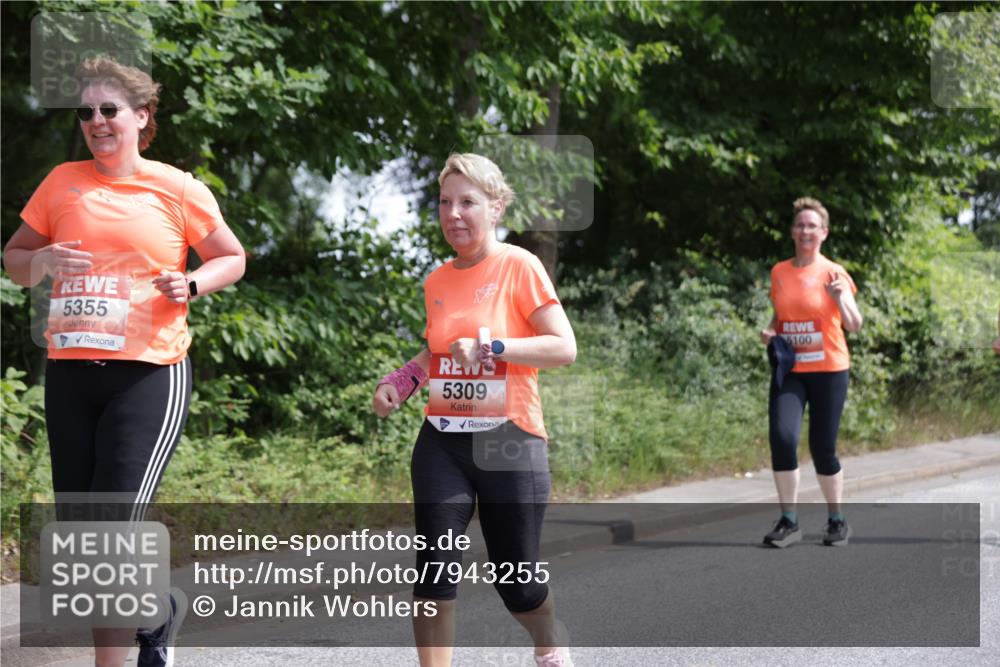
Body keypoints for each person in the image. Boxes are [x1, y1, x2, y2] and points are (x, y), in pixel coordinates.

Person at [3, 56, 245, 667]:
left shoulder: (177, 187)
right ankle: (157, 611)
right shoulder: (62, 181)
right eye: (86, 112)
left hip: (149, 374)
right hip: (71, 374)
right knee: (84, 539)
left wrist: (191, 284)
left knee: (109, 526)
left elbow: (231, 257)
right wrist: (44, 262)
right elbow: (15, 259)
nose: (96, 121)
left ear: (142, 117)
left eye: (109, 110)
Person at [372, 153, 577, 666]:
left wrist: (494, 348)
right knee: (434, 568)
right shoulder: (437, 281)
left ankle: (548, 638)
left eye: (468, 202)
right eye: (445, 202)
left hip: (509, 438)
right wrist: (402, 380)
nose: (454, 214)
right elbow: (435, 350)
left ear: (496, 207)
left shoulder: (518, 266)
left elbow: (563, 347)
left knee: (517, 580)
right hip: (444, 438)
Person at [759, 197, 862, 548]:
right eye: (800, 225)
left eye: (812, 226)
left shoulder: (835, 273)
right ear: (793, 231)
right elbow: (781, 315)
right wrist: (771, 330)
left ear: (824, 233)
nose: (805, 231)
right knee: (783, 437)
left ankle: (837, 519)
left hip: (830, 370)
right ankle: (789, 520)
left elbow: (855, 324)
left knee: (823, 447)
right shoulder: (779, 272)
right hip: (791, 369)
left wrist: (839, 298)